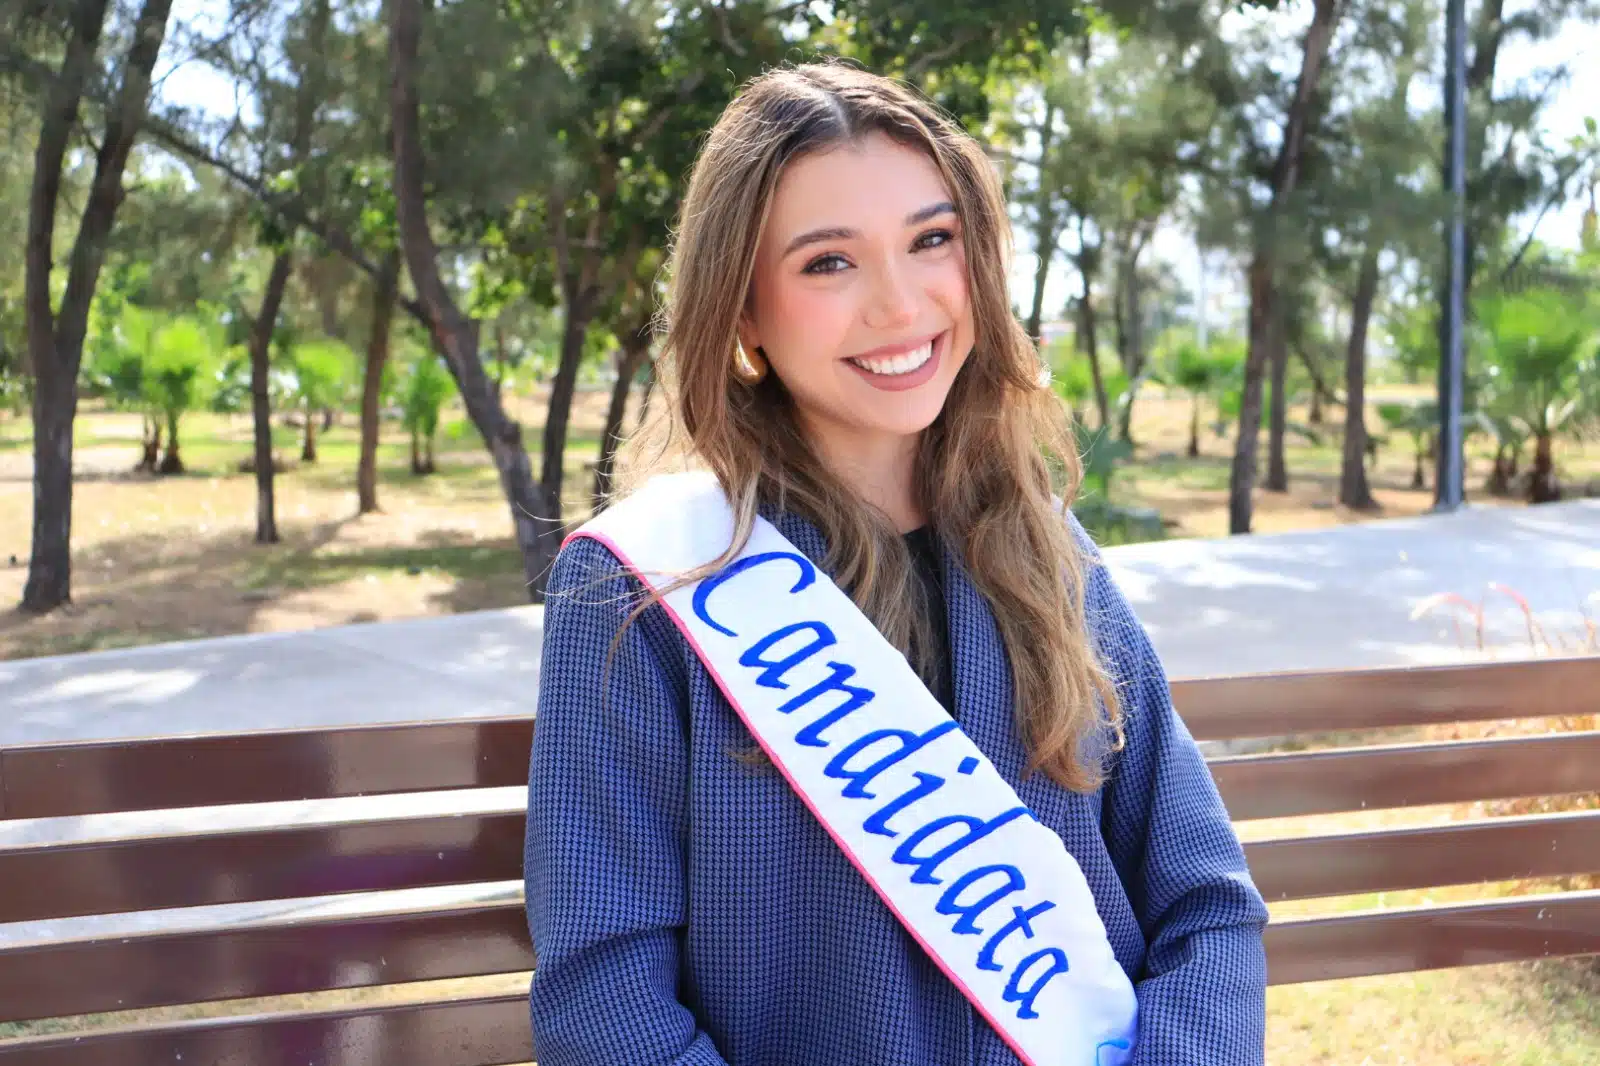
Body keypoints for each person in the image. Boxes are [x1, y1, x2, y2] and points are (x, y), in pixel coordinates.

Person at [523, 60, 1268, 1066]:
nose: (900, 303)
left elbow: (1207, 908)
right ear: (741, 311)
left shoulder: (1049, 556)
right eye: (828, 263)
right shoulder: (648, 588)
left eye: (932, 240)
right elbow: (604, 997)